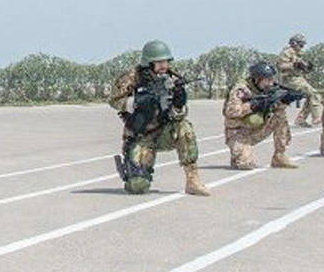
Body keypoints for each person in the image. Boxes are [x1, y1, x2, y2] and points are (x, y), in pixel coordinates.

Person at [109, 39, 209, 196]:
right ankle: (135, 172)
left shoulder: (172, 79)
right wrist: (136, 102)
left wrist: (179, 104)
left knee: (184, 127)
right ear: (148, 63)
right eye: (159, 62)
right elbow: (114, 101)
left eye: (166, 61)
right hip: (140, 136)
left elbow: (178, 115)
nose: (164, 66)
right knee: (137, 187)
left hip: (164, 132)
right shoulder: (132, 77)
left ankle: (193, 180)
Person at [223, 60, 297, 170]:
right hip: (238, 132)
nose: (270, 83)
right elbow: (231, 111)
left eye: (271, 79)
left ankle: (279, 156)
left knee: (279, 116)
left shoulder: (267, 89)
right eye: (268, 80)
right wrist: (253, 105)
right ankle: (239, 154)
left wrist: (283, 101)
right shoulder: (241, 89)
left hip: (256, 129)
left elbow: (275, 108)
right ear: (257, 79)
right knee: (246, 164)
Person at [276, 33, 323, 128]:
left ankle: (301, 120)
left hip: (297, 79)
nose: (302, 47)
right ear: (294, 43)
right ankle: (317, 117)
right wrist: (294, 65)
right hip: (289, 79)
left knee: (311, 96)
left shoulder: (298, 54)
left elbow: (302, 69)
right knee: (314, 94)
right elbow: (281, 66)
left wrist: (306, 67)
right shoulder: (287, 52)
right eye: (300, 45)